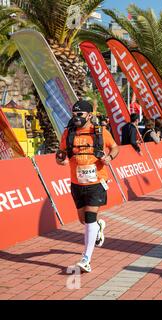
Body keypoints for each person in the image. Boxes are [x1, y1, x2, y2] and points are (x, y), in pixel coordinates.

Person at [56, 100, 119, 273]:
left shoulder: (100, 132)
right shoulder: (68, 133)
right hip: (77, 183)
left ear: (89, 115)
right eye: (74, 114)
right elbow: (61, 153)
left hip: (97, 182)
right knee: (83, 219)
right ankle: (98, 227)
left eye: (80, 114)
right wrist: (60, 159)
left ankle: (86, 259)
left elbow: (114, 147)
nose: (76, 117)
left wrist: (110, 158)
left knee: (89, 218)